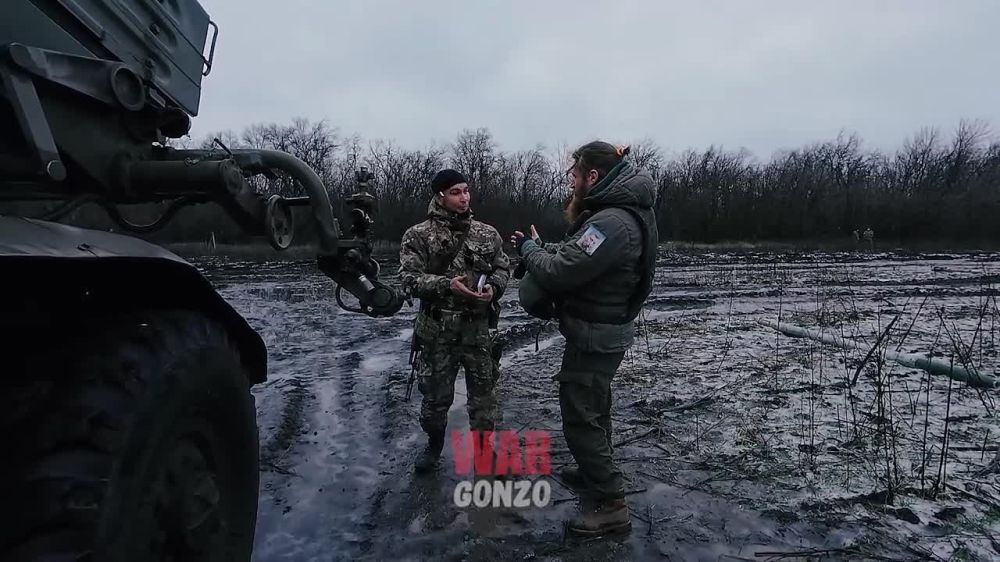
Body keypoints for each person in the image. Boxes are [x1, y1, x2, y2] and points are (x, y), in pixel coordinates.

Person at [510, 141, 657, 537]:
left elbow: (559, 272)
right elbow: (577, 256)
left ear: (593, 176)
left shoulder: (612, 223)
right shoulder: (621, 214)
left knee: (579, 416)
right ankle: (595, 473)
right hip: (602, 329)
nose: (572, 183)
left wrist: (528, 250)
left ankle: (611, 505)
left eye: (575, 175)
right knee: (595, 406)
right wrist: (544, 249)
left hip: (596, 334)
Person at [399, 169, 510, 473]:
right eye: (455, 192)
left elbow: (503, 267)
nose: (464, 198)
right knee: (435, 400)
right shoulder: (418, 235)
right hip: (438, 333)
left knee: (484, 398)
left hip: (478, 330)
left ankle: (484, 453)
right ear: (440, 196)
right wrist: (445, 285)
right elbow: (408, 279)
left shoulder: (486, 233)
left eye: (466, 190)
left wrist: (494, 288)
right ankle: (434, 445)